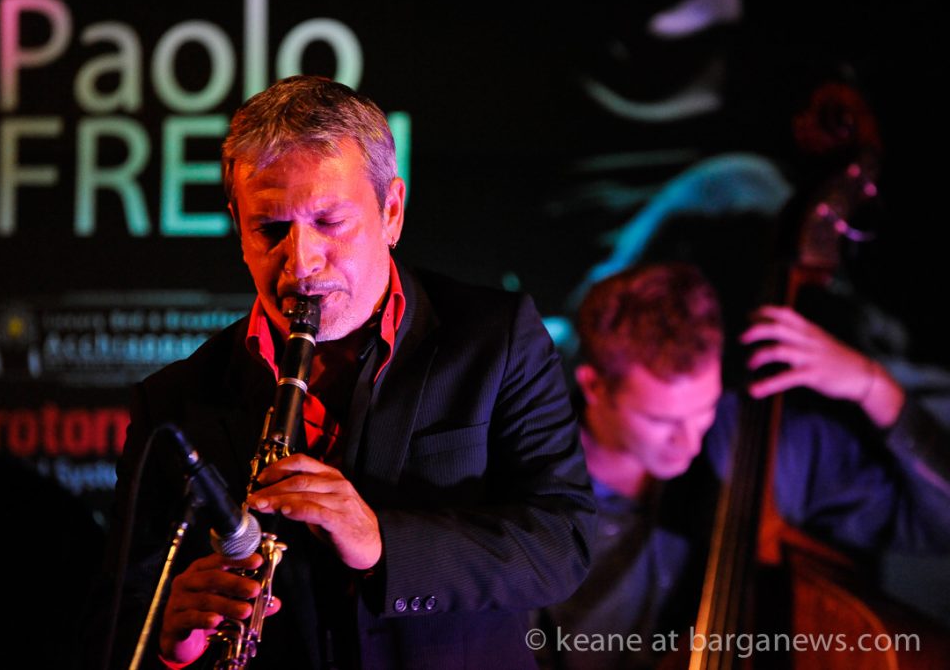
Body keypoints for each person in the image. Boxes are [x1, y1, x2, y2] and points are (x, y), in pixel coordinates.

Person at [84, 75, 595, 670]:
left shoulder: (496, 338)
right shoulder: (175, 399)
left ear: (392, 212)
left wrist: (382, 543)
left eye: (328, 221)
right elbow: (121, 618)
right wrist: (169, 637)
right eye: (270, 229)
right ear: (239, 228)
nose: (300, 262)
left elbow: (562, 543)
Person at [538, 262, 950, 670]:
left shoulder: (754, 438)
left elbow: (942, 523)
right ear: (595, 386)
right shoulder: (524, 495)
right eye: (661, 420)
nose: (689, 441)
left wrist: (874, 386)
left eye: (704, 408)